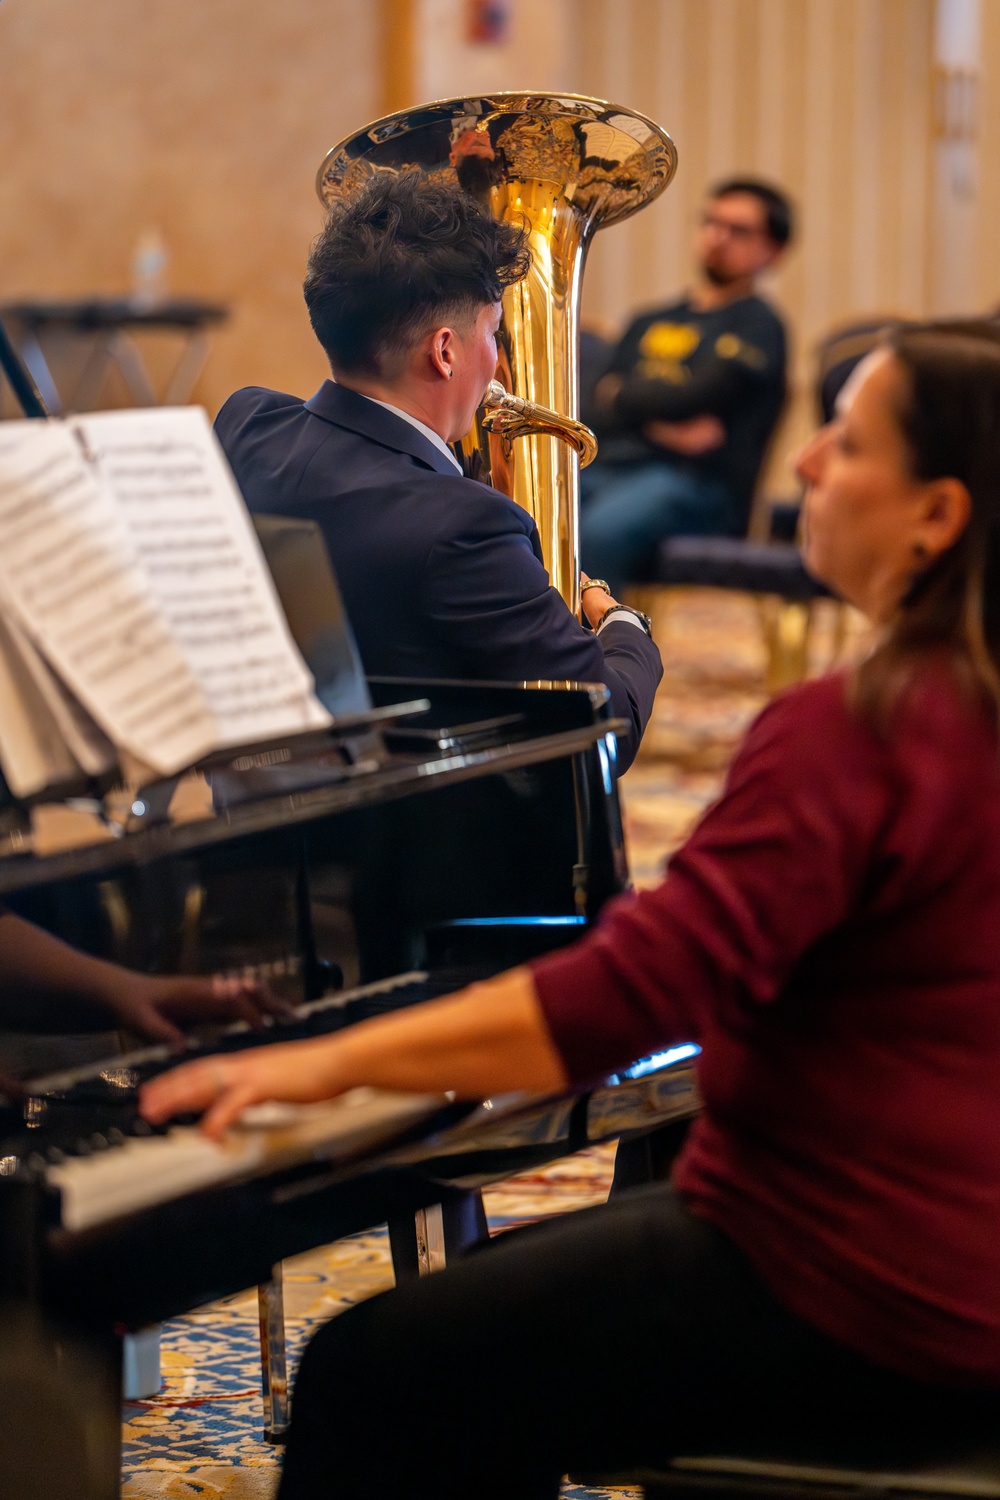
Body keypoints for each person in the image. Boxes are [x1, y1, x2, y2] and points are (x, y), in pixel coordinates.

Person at [142, 323, 1000, 1494]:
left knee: (374, 1371)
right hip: (948, 1259)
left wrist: (319, 1065)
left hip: (862, 1293)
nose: (801, 466)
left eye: (844, 443)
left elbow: (630, 996)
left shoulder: (856, 731)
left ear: (936, 517)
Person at [215, 174, 661, 773]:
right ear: (445, 350)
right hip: (408, 848)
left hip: (255, 825)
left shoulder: (247, 423)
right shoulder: (466, 526)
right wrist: (623, 624)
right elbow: (605, 729)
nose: (497, 359)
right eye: (494, 331)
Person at [581, 178, 792, 594]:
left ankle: (598, 654)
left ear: (772, 251)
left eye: (739, 230)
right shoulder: (648, 320)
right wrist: (664, 426)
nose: (718, 237)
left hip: (700, 488)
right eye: (712, 223)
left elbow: (700, 396)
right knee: (527, 512)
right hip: (615, 466)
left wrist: (623, 396)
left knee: (598, 532)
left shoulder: (761, 327)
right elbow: (591, 406)